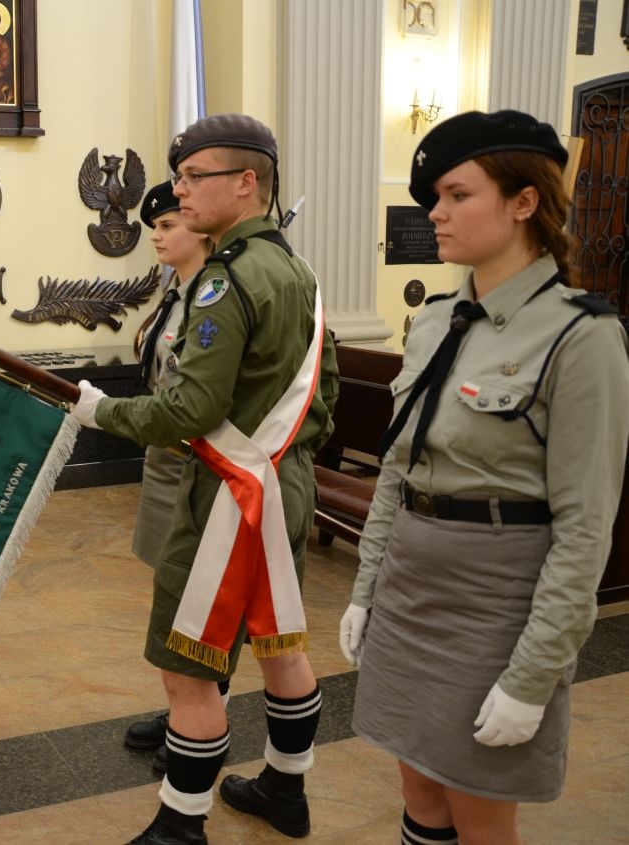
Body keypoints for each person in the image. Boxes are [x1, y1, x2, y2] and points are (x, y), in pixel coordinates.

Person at [339, 110, 629, 845]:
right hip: (410, 585)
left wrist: (534, 675)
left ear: (524, 201)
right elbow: (398, 468)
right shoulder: (437, 321)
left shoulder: (581, 335)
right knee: (419, 789)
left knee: (480, 811)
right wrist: (368, 588)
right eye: (435, 197)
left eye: (457, 195)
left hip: (495, 604)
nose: (435, 213)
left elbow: (585, 527)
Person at [71, 113, 339, 844]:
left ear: (246, 182)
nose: (180, 191)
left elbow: (190, 409)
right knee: (280, 645)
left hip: (228, 496)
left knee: (188, 670)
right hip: (283, 484)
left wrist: (101, 412)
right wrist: (284, 461)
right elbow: (327, 392)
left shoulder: (229, 278)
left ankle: (180, 826)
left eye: (194, 177)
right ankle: (285, 789)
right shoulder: (300, 272)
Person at [121, 181, 233, 776]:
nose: (157, 237)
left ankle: (201, 715)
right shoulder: (177, 294)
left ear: (201, 228)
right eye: (155, 228)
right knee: (173, 592)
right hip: (163, 460)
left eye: (167, 225)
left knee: (199, 600)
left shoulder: (216, 297)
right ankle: (182, 708)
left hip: (200, 466)